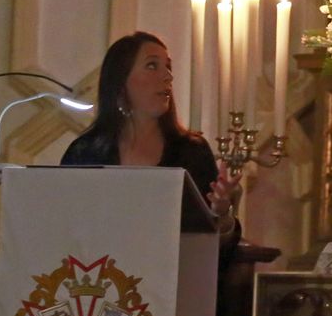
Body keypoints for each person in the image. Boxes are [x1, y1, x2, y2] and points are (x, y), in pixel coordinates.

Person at [61, 31, 241, 243]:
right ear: (121, 81)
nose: (168, 77)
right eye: (152, 66)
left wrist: (222, 214)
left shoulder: (192, 152)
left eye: (168, 67)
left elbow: (216, 249)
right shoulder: (86, 152)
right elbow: (63, 228)